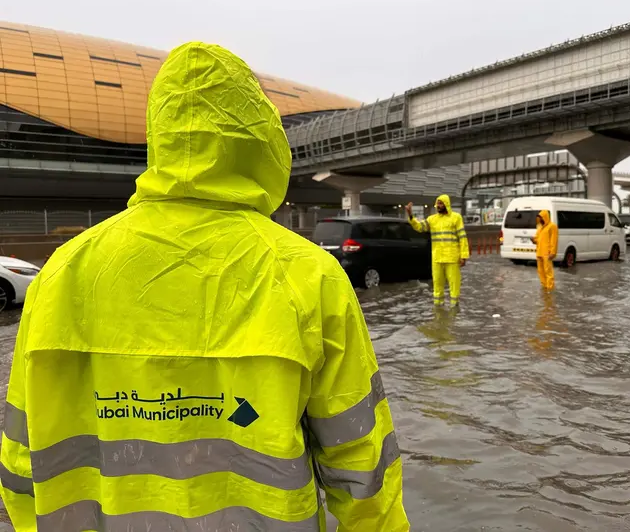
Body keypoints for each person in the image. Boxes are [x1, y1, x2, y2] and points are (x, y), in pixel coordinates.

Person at [0, 42, 409, 532]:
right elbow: (362, 466)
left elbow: (21, 464)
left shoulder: (63, 273)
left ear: (160, 136)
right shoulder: (308, 275)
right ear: (259, 142)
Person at [406, 195, 469, 306]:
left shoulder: (456, 218)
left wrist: (463, 256)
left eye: (440, 203)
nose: (438, 206)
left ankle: (454, 309)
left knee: (454, 284)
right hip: (437, 258)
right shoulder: (432, 219)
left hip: (452, 257)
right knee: (437, 285)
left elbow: (462, 238)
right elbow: (420, 227)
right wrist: (411, 215)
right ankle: (438, 310)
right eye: (437, 203)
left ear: (446, 204)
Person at [531, 209, 558, 290]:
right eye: (539, 218)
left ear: (545, 217)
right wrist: (533, 240)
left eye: (541, 217)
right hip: (539, 252)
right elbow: (537, 239)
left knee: (548, 271)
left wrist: (553, 252)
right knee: (540, 271)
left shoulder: (552, 226)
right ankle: (544, 287)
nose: (540, 219)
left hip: (547, 253)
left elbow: (554, 240)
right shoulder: (540, 227)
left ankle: (550, 288)